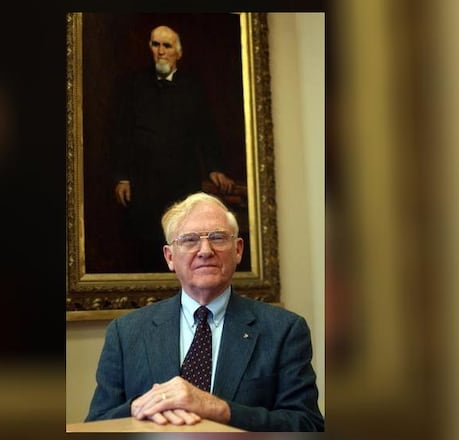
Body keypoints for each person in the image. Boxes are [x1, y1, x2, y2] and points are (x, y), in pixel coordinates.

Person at [85, 192, 324, 432]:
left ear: (238, 250)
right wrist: (140, 407)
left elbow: (308, 425)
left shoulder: (284, 330)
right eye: (189, 240)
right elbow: (96, 424)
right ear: (170, 257)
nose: (205, 250)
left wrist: (220, 409)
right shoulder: (126, 332)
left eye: (218, 238)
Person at [111, 25, 236, 272]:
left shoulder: (192, 87)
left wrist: (214, 168)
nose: (160, 52)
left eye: (166, 46)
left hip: (181, 180)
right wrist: (122, 177)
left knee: (183, 241)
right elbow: (121, 135)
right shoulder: (135, 85)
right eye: (155, 45)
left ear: (178, 53)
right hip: (143, 180)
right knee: (144, 246)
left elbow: (206, 131)